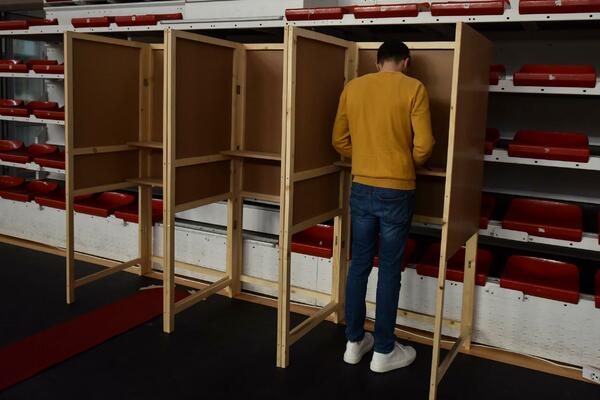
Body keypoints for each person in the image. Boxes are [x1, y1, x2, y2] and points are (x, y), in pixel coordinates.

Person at [332, 40, 435, 373]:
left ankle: (353, 343)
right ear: (406, 62)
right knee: (389, 268)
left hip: (361, 185)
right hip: (398, 189)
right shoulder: (414, 88)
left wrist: (365, 157)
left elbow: (339, 140)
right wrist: (405, 162)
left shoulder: (353, 88)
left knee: (359, 263)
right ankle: (384, 351)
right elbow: (424, 146)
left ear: (377, 63)